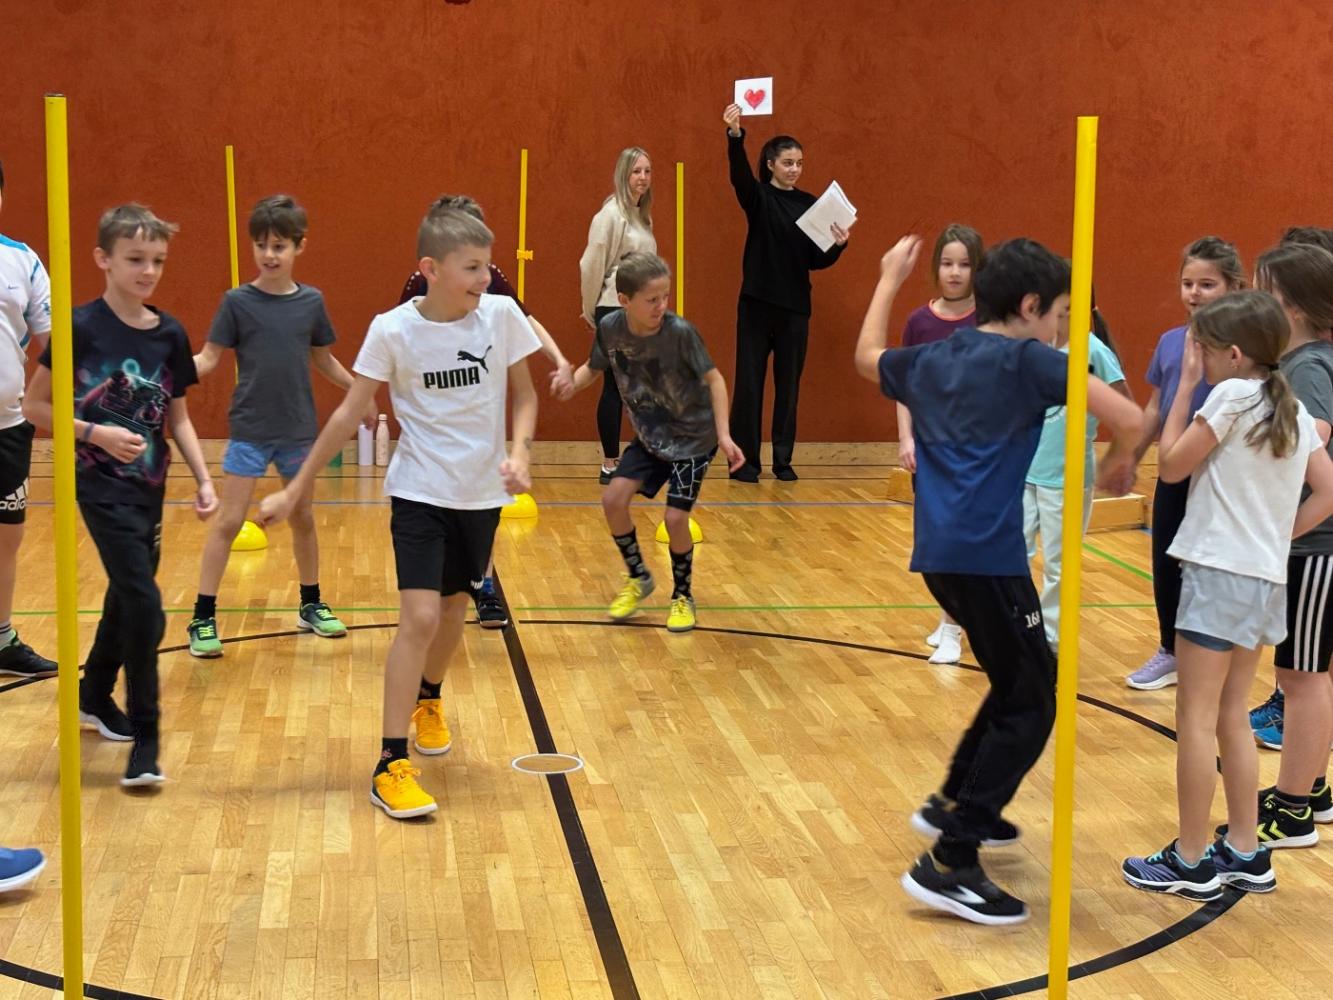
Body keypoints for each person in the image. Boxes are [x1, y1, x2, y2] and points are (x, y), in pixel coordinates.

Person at [855, 235, 1143, 925]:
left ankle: (955, 803)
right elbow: (1129, 416)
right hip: (987, 558)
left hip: (940, 557)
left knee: (1022, 678)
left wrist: (888, 278)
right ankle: (951, 858)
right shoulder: (1029, 361)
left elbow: (866, 358)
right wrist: (1122, 460)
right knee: (1034, 701)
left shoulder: (933, 356)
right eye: (1060, 315)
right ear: (1030, 306)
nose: (1060, 329)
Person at [259, 206, 538, 819]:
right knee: (419, 617)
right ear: (431, 269)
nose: (485, 279)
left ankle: (428, 698)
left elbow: (526, 394)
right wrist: (297, 487)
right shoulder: (392, 330)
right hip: (419, 491)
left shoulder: (500, 316)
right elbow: (346, 413)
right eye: (472, 268)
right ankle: (389, 764)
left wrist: (519, 451)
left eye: (487, 267)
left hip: (479, 496)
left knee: (453, 611)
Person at [1122, 291, 1333, 900]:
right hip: (1264, 579)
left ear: (1234, 354)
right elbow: (1329, 491)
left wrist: (1186, 386)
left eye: (1205, 351)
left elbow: (1171, 466)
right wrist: (1277, 536)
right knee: (1231, 714)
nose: (1201, 360)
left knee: (1195, 718)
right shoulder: (1290, 406)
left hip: (1218, 576)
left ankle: (1190, 858)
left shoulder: (1231, 395)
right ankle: (1244, 849)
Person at [24, 204, 218, 786]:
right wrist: (94, 433)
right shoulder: (80, 328)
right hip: (98, 486)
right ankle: (146, 741)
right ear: (103, 259)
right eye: (135, 259)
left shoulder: (169, 334)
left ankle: (93, 694)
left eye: (157, 260)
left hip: (149, 489)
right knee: (145, 603)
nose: (148, 271)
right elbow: (35, 405)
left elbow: (179, 418)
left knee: (125, 596)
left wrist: (204, 478)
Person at [187, 195, 372, 657]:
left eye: (279, 246)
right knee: (230, 521)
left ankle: (311, 604)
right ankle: (202, 617)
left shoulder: (311, 302)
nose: (269, 255)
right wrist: (167, 372)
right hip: (249, 429)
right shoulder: (236, 302)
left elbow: (323, 359)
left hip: (297, 431)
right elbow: (208, 358)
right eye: (261, 245)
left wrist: (360, 392)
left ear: (299, 246)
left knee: (303, 518)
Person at [399, 194, 572, 629]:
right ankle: (436, 591)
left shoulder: (493, 282)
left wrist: (558, 357)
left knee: (482, 504)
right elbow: (402, 342)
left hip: (478, 417)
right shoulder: (417, 286)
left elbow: (524, 318)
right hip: (438, 419)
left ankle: (485, 585)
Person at [562, 252, 744, 633]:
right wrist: (570, 384)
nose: (662, 306)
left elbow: (715, 381)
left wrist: (725, 434)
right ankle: (639, 577)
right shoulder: (610, 328)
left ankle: (683, 596)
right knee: (613, 499)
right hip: (651, 437)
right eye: (652, 299)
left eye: (665, 297)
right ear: (624, 300)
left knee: (675, 519)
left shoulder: (680, 333)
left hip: (694, 439)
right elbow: (593, 369)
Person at [1226, 243, 1333, 845]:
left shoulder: (1308, 367)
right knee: (1310, 675)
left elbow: (1313, 432)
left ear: (1292, 307)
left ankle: (1292, 811)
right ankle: (1311, 788)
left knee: (1301, 678)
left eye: (1262, 290)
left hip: (1316, 545)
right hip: (1315, 545)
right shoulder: (1307, 361)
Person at [1126, 237, 1246, 690]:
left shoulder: (1241, 348)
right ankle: (1170, 650)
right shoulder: (1170, 342)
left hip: (1221, 475)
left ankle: (1216, 655)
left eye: (1207, 284)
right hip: (1175, 470)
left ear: (1233, 287)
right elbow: (1155, 406)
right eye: (1188, 283)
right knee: (1166, 561)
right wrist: (1131, 456)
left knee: (1211, 568)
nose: (1194, 293)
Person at [722, 103, 849, 483]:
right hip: (756, 305)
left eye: (799, 163)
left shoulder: (811, 205)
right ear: (771, 164)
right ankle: (744, 463)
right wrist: (735, 136)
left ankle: (782, 460)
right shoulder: (759, 197)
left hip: (795, 309)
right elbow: (739, 176)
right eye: (788, 162)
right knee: (749, 385)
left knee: (788, 388)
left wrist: (838, 245)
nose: (794, 169)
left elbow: (815, 260)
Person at [1024, 294, 1131, 648]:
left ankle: (1052, 642)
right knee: (1013, 555)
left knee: (1059, 564)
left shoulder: (1094, 351)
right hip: (1024, 473)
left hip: (1066, 479)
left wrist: (1118, 460)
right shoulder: (1036, 344)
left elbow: (1127, 410)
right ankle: (1019, 628)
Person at [899, 224, 984, 664]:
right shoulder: (919, 322)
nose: (954, 272)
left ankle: (954, 628)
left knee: (956, 540)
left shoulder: (988, 321)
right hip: (929, 450)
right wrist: (905, 437)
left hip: (971, 452)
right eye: (948, 263)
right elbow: (905, 385)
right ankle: (951, 616)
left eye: (964, 264)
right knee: (933, 541)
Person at [0, 160, 57, 678]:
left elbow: (54, 341)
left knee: (6, 538)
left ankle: (1, 639)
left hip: (8, 427)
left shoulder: (22, 260)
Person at [579, 148, 656, 483]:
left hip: (639, 310)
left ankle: (630, 460)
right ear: (623, 174)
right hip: (615, 307)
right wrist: (591, 309)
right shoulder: (610, 215)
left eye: (647, 171)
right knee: (616, 385)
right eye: (636, 171)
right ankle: (610, 462)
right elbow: (591, 265)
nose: (642, 177)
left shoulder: (642, 217)